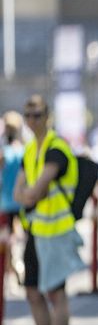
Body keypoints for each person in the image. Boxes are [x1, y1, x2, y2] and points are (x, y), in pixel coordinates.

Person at [13, 95, 85, 325]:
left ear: (48, 116)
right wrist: (27, 195)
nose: (32, 119)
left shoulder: (57, 148)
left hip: (56, 230)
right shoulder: (31, 149)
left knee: (55, 294)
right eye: (28, 115)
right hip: (35, 229)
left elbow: (34, 191)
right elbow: (18, 192)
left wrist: (27, 194)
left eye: (38, 114)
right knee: (32, 292)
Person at [1, 111, 26, 281]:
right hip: (21, 201)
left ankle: (11, 266)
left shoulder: (4, 154)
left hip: (5, 203)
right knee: (20, 234)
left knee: (6, 237)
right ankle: (17, 262)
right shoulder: (23, 151)